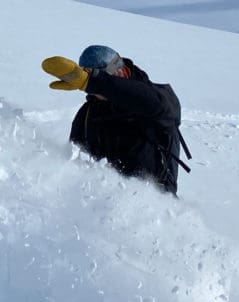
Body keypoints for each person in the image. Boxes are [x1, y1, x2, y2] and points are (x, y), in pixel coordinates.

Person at [41, 45, 190, 194]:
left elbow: (154, 104)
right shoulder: (87, 114)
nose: (95, 92)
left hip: (157, 206)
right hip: (102, 205)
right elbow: (74, 160)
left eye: (104, 77)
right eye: (90, 88)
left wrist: (94, 82)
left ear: (123, 71)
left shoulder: (159, 99)